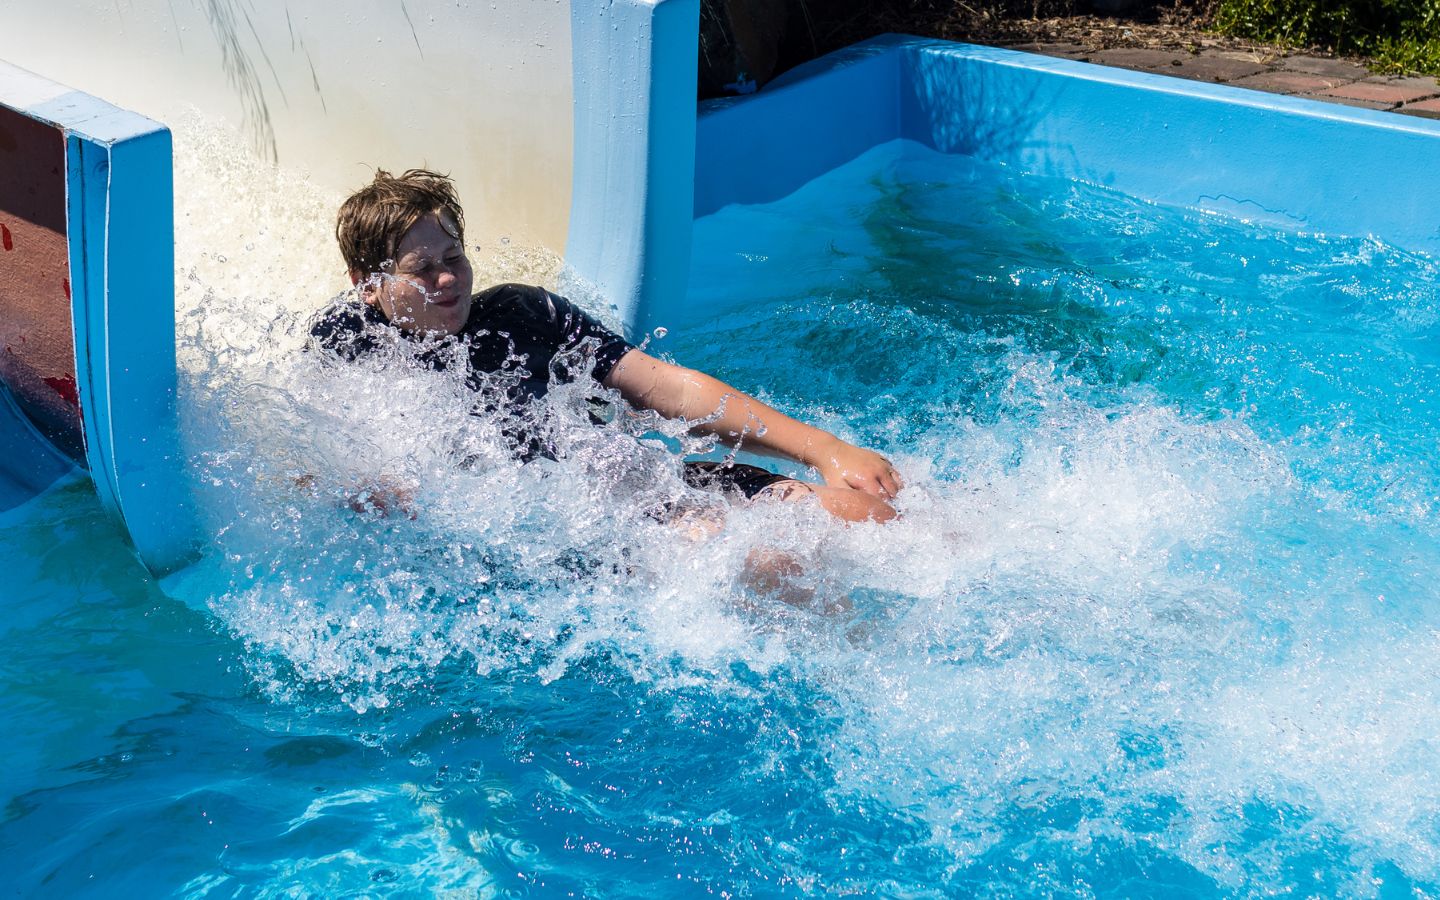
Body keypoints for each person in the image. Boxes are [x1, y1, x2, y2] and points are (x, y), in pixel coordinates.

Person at [308, 169, 900, 523]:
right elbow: (324, 454)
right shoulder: (348, 344)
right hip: (573, 539)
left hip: (635, 489)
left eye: (455, 258)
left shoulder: (519, 313)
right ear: (369, 284)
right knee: (761, 559)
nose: (448, 280)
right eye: (422, 269)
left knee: (867, 514)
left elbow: (665, 387)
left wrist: (823, 447)